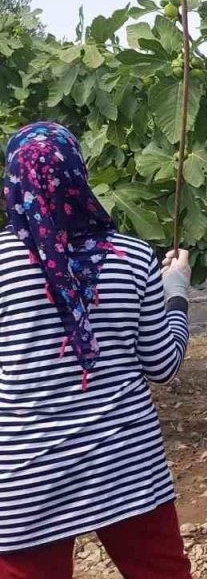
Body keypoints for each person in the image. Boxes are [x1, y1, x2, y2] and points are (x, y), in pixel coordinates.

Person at [0, 122, 194, 578]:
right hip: (127, 465)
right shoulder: (133, 257)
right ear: (79, 176)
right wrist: (177, 290)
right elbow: (163, 365)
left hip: (26, 474)